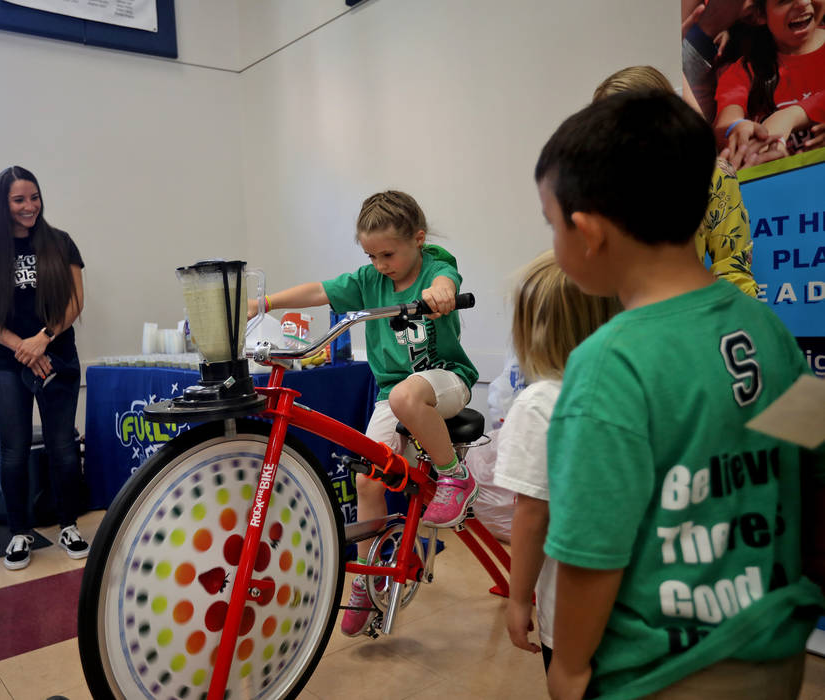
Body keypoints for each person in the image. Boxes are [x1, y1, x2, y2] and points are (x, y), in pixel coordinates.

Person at [535, 92, 825, 699]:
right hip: (776, 648)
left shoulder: (606, 366)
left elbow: (591, 554)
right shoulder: (766, 325)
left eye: (551, 222)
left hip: (660, 674)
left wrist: (567, 667)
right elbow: (808, 464)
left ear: (587, 233)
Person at [246, 190, 479, 637]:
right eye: (371, 255)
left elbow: (445, 281)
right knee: (368, 478)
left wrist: (440, 294)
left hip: (445, 379)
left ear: (418, 239)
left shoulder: (434, 265)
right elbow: (319, 290)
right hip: (394, 391)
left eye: (388, 254)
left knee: (406, 399)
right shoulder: (368, 280)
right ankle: (368, 580)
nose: (380, 264)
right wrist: (265, 304)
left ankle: (455, 475)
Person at [494, 251, 620, 674]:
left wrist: (517, 599)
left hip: (573, 607)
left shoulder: (539, 405)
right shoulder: (632, 388)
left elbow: (532, 514)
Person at [0, 165, 89, 570]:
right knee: (12, 452)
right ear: (3, 203)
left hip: (57, 357)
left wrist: (42, 338)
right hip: (5, 363)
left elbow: (75, 300)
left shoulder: (60, 242)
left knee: (64, 449)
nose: (29, 206)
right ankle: (19, 533)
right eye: (19, 200)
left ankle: (69, 525)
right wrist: (20, 346)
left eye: (34, 197)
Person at [594, 65, 759, 298]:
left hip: (685, 320)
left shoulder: (712, 176)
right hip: (609, 324)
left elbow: (734, 270)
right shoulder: (595, 182)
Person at [715, 0, 825, 168]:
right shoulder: (744, 71)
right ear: (759, 15)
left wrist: (790, 117)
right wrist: (739, 128)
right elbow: (726, 122)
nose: (803, 3)